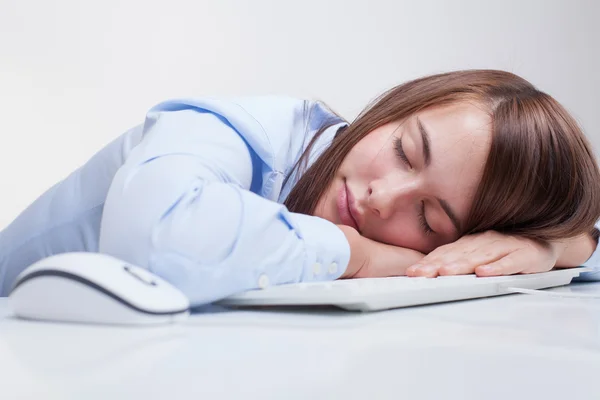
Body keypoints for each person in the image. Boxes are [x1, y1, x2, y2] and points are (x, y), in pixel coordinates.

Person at [1, 69, 599, 305]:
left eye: (429, 219)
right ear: (392, 109)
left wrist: (556, 247)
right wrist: (360, 256)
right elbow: (156, 241)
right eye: (402, 150)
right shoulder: (236, 131)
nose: (380, 196)